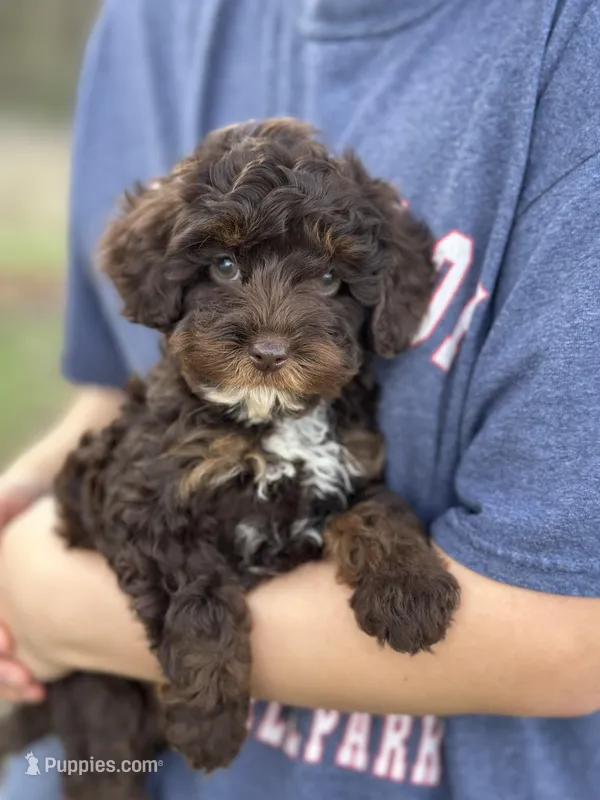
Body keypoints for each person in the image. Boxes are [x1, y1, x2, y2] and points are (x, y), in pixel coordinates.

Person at [1, 0, 600, 797]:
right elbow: (122, 462)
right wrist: (199, 638)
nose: (273, 333)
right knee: (104, 771)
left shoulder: (570, 44)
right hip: (99, 714)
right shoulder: (148, 26)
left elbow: (558, 632)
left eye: (323, 278)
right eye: (224, 269)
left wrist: (377, 541)